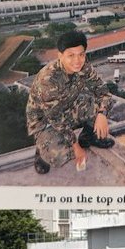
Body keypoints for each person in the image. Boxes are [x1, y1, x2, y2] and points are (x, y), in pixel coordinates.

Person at [26, 29, 114, 175]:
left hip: (67, 108)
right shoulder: (48, 79)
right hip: (46, 121)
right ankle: (43, 152)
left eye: (81, 54)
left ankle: (88, 137)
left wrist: (102, 114)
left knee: (98, 103)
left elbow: (103, 92)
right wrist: (75, 147)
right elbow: (55, 117)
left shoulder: (84, 67)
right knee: (60, 156)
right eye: (71, 55)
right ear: (60, 56)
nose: (77, 60)